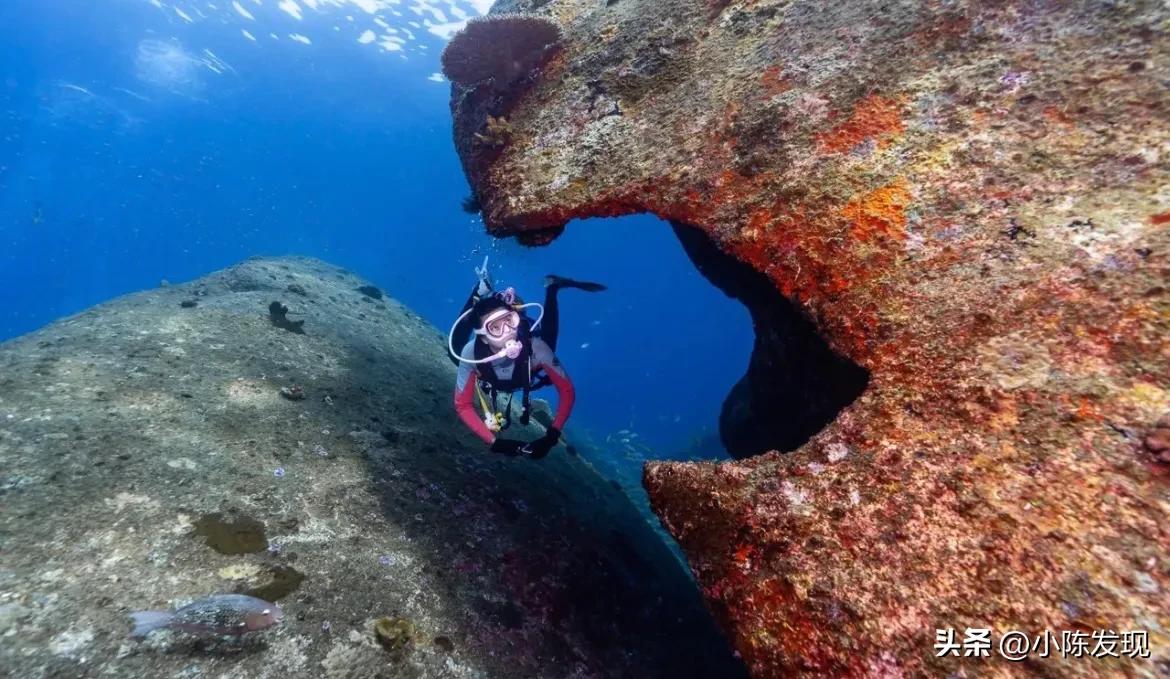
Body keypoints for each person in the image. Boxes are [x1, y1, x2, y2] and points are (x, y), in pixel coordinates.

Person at [447, 257, 604, 458]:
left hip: (529, 365)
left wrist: (552, 434)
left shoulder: (536, 348)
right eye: (495, 328)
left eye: (510, 321)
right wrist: (496, 443)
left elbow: (567, 391)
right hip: (494, 367)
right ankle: (480, 291)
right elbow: (462, 404)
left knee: (548, 343)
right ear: (484, 339)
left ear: (516, 318)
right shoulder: (472, 353)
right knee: (454, 353)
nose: (508, 332)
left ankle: (552, 288)